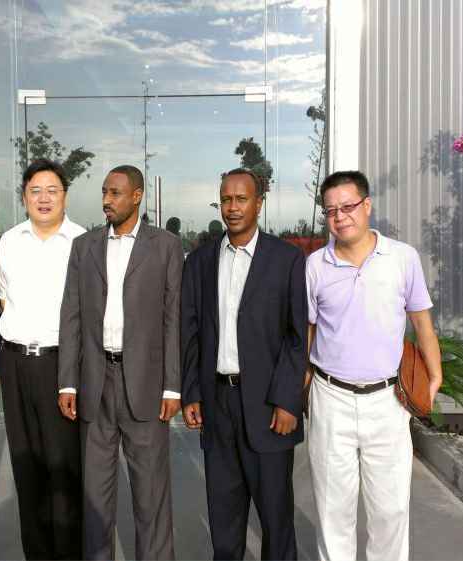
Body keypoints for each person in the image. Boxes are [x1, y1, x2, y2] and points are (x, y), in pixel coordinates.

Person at [305, 170, 443, 561]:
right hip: (331, 397)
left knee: (390, 509)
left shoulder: (402, 258)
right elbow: (309, 331)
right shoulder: (315, 266)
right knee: (333, 510)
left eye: (347, 206)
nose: (340, 216)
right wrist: (306, 389)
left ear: (367, 205)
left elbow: (422, 323)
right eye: (331, 210)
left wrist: (434, 378)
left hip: (388, 400)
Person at [57, 164, 183, 560]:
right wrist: (67, 382)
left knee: (151, 496)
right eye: (104, 192)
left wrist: (172, 386)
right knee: (95, 497)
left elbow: (173, 319)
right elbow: (71, 315)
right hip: (95, 384)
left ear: (137, 196)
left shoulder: (165, 246)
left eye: (115, 193)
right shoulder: (85, 246)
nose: (106, 201)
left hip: (145, 385)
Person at [181, 168, 307, 560]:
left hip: (269, 407)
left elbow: (297, 336)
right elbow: (191, 332)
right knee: (224, 522)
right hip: (217, 405)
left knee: (276, 521)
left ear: (259, 203)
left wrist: (287, 401)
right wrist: (192, 392)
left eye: (241, 199)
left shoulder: (286, 259)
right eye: (226, 200)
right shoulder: (200, 261)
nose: (232, 208)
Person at [0, 158, 86, 559]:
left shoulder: (82, 242)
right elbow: (4, 299)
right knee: (26, 468)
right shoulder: (8, 242)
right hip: (15, 363)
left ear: (65, 196)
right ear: (24, 197)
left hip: (60, 366)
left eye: (52, 190)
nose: (44, 198)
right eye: (35, 191)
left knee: (63, 469)